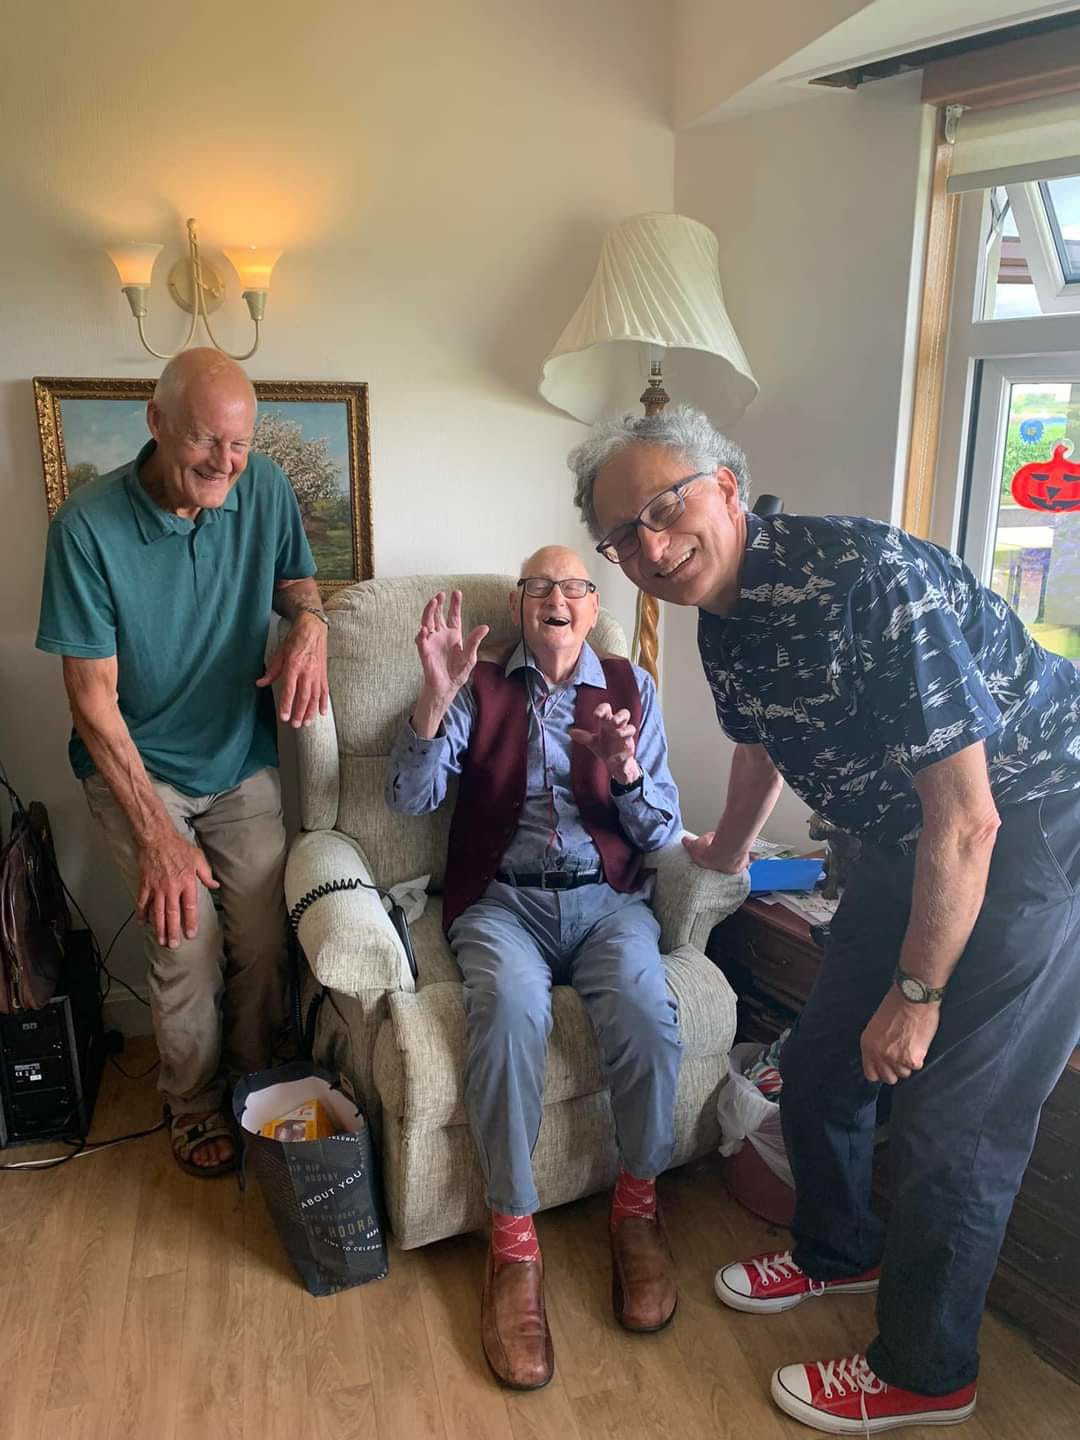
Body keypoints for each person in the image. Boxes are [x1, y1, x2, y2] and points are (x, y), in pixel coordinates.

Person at [569, 405, 1080, 1434]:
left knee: (955, 1126)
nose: (651, 548)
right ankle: (842, 1252)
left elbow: (970, 818)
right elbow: (762, 744)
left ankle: (929, 1374)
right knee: (818, 1065)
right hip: (908, 838)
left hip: (1032, 826)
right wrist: (723, 847)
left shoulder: (867, 581)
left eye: (665, 509)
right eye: (622, 536)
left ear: (725, 486)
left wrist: (918, 996)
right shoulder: (723, 615)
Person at [385, 547, 683, 1390]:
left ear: (593, 610)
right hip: (502, 903)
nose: (556, 598)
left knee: (647, 1013)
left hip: (607, 902)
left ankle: (637, 1207)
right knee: (510, 1011)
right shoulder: (479, 685)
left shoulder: (630, 689)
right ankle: (513, 1242)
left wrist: (624, 768)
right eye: (539, 587)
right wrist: (433, 704)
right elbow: (409, 801)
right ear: (519, 608)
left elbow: (661, 832)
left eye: (573, 588)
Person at [36, 348, 330, 1177]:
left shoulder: (263, 486)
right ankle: (193, 1100)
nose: (224, 465)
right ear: (157, 422)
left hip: (239, 758)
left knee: (268, 936)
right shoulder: (86, 529)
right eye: (205, 442)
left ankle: (254, 1072)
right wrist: (160, 837)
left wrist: (312, 626)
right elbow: (91, 702)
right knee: (184, 937)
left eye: (238, 446)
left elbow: (298, 584)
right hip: (138, 768)